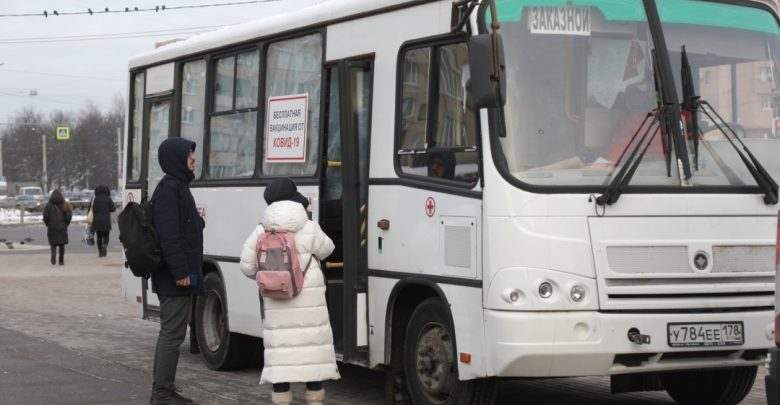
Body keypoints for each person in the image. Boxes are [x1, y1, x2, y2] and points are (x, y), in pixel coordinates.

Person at [240, 177, 339, 405]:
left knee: (281, 354)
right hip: (309, 303)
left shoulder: (261, 230)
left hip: (277, 302)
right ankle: (314, 399)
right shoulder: (309, 226)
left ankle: (282, 399)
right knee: (311, 354)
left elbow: (246, 266)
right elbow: (328, 250)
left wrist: (270, 276)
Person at [150, 137, 204, 405]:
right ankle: (163, 393)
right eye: (189, 154)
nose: (194, 158)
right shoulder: (170, 189)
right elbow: (168, 236)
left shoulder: (178, 187)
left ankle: (163, 391)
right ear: (176, 159)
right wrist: (181, 271)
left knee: (173, 332)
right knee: (172, 334)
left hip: (178, 274)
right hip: (174, 277)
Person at [42, 189, 72, 266]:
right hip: (62, 226)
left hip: (52, 227)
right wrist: (66, 224)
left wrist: (48, 224)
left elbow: (45, 217)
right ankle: (61, 260)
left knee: (53, 244)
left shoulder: (48, 205)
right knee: (61, 245)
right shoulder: (65, 204)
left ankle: (53, 253)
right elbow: (69, 216)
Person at [91, 185, 116, 257]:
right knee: (106, 235)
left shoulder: (95, 199)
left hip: (97, 221)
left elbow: (93, 209)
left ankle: (100, 252)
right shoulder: (108, 199)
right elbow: (113, 209)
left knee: (99, 237)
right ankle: (105, 246)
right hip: (106, 220)